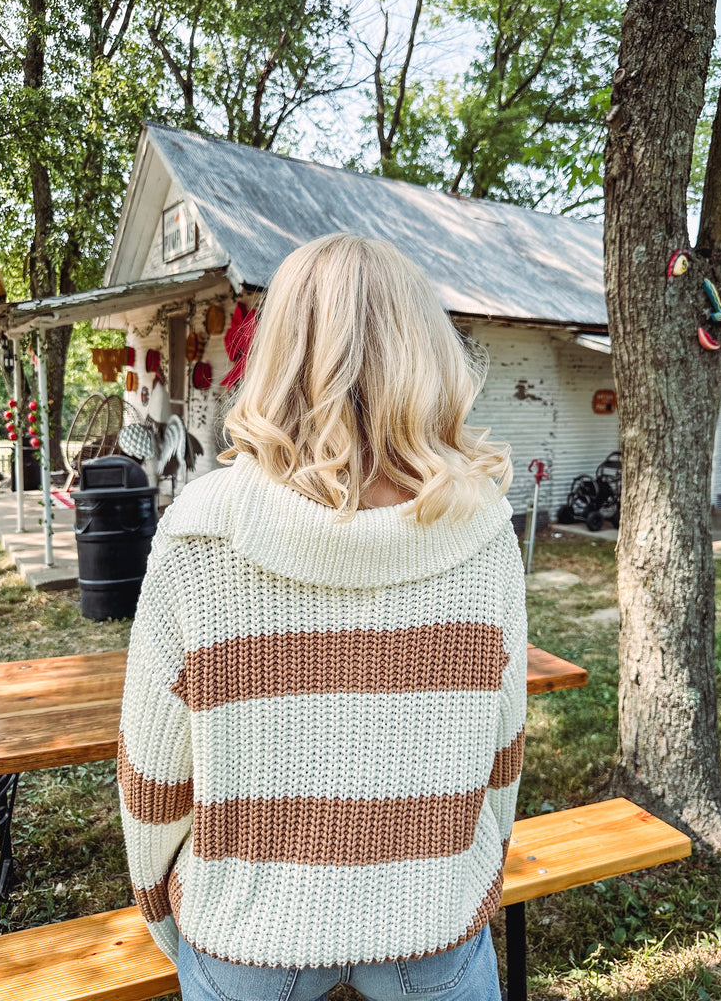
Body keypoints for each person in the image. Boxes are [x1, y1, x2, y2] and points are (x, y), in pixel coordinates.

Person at [118, 232, 528, 1001]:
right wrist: (471, 876)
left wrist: (165, 913)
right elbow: (502, 756)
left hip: (245, 933)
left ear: (276, 355)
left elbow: (153, 775)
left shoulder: (202, 528)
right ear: (426, 354)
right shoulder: (482, 528)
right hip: (433, 924)